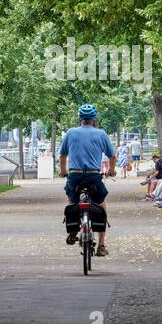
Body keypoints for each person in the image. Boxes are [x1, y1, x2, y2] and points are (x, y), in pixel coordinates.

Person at [58, 103, 116, 256]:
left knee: (72, 200)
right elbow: (112, 156)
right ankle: (101, 245)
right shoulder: (101, 134)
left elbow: (62, 156)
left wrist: (63, 171)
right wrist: (111, 170)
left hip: (75, 175)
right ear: (94, 119)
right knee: (101, 202)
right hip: (93, 175)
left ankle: (72, 230)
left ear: (80, 119)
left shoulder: (70, 133)